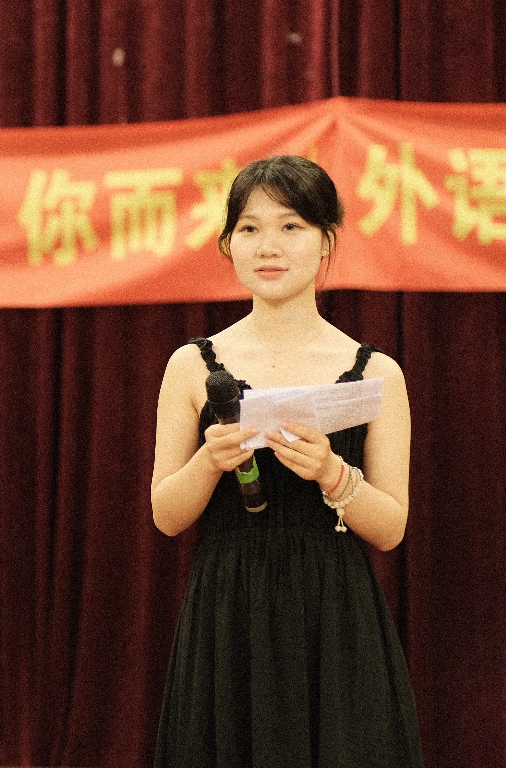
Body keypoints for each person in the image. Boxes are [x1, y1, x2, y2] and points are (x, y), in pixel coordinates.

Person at [149, 155, 422, 767]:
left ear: (326, 241)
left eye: (291, 226)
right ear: (228, 244)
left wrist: (332, 473)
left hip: (334, 610)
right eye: (249, 228)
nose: (268, 246)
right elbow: (166, 515)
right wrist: (208, 462)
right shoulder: (192, 366)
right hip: (228, 607)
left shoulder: (376, 373)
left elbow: (390, 527)